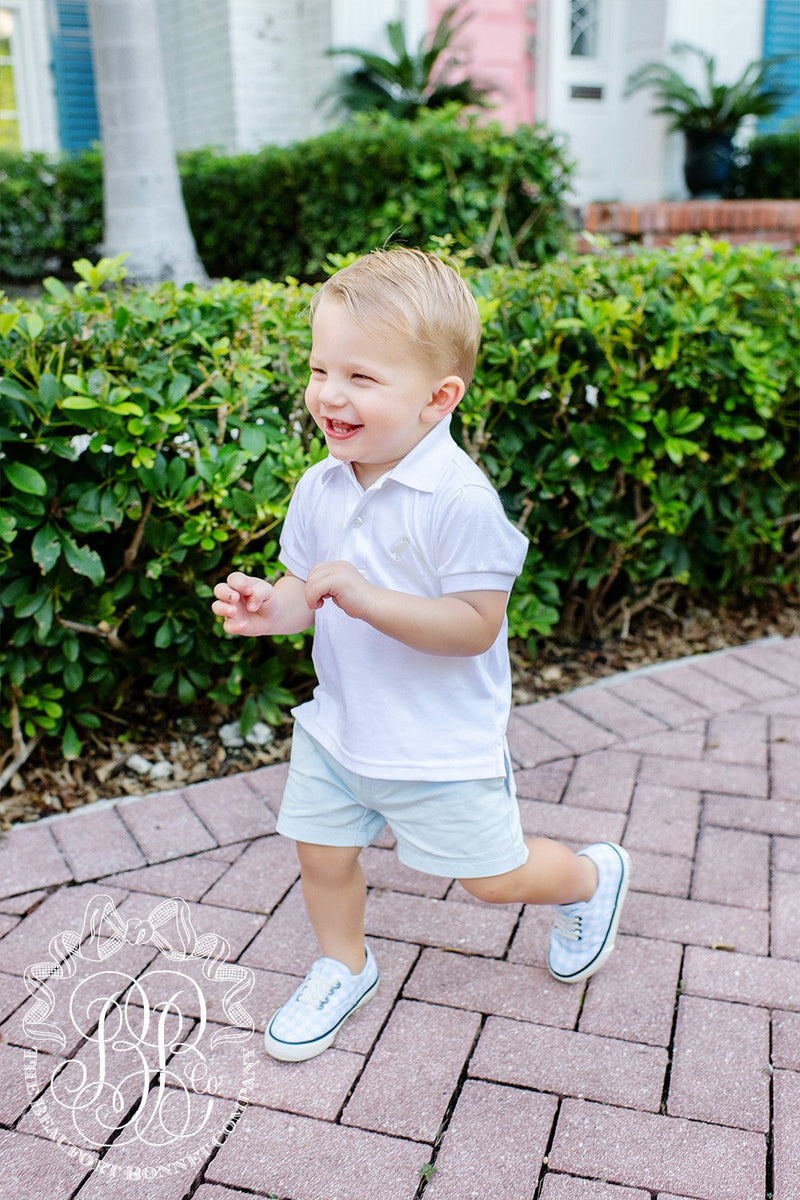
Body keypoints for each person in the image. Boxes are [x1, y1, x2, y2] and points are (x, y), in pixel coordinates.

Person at [212, 247, 631, 1062]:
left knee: (491, 879)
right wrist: (271, 610)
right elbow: (307, 589)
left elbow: (474, 625)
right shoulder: (321, 485)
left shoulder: (460, 500)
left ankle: (588, 878)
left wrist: (369, 598)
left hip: (439, 744)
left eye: (361, 378)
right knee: (322, 856)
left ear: (439, 398)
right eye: (320, 368)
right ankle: (343, 964)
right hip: (341, 728)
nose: (329, 394)